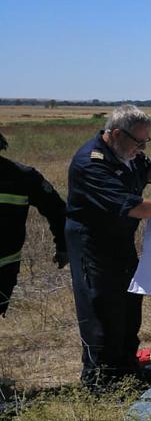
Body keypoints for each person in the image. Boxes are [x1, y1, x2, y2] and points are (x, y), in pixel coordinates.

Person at [66, 105, 151, 389]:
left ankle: (126, 369)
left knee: (128, 304)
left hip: (120, 244)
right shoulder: (91, 162)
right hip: (92, 247)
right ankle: (100, 379)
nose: (142, 147)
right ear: (114, 134)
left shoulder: (127, 153)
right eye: (138, 142)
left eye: (146, 142)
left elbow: (145, 170)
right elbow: (131, 206)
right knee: (101, 307)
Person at [0, 131, 68, 316]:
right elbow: (58, 211)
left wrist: (63, 246)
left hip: (4, 269)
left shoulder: (22, 177)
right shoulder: (21, 176)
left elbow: (58, 211)